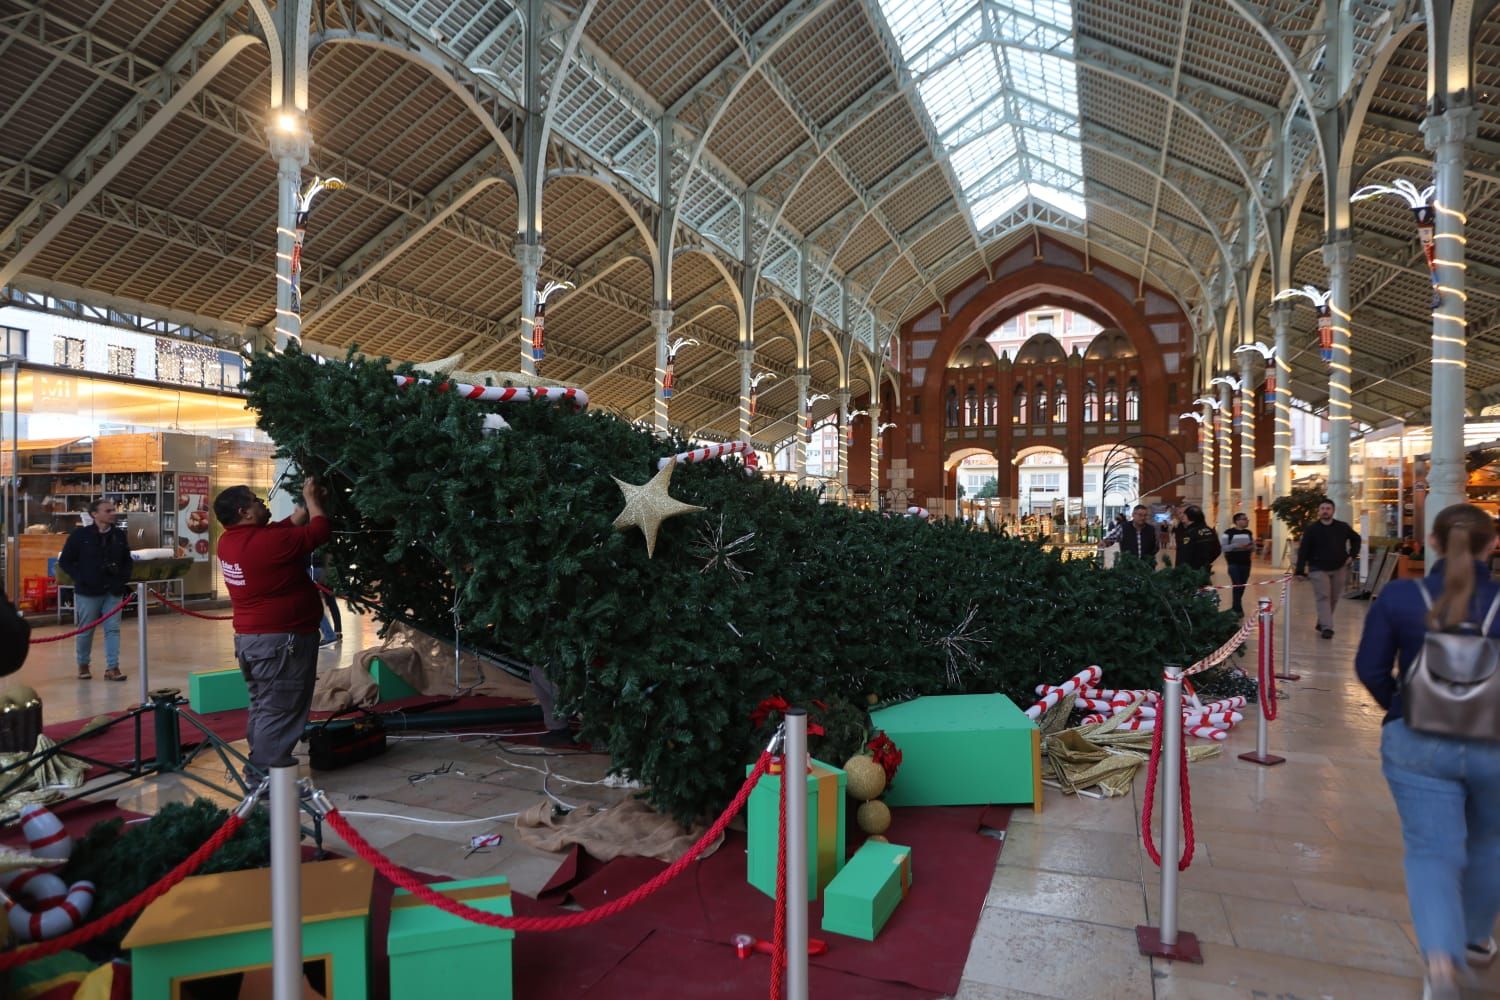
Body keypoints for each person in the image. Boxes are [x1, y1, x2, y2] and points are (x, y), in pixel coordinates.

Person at [1353, 503, 1500, 999]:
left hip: (1417, 739)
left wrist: (1401, 706)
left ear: (1432, 543)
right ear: (1492, 544)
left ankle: (1440, 961)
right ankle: (1475, 939)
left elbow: (1371, 668)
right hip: (1494, 743)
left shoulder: (1399, 595)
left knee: (1431, 851)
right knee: (1491, 844)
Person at [214, 479, 330, 778]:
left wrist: (304, 507)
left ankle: (260, 764)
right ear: (245, 512)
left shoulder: (230, 541)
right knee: (280, 709)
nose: (262, 503)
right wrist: (314, 501)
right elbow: (320, 532)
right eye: (256, 500)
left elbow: (281, 529)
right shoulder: (267, 544)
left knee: (265, 706)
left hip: (254, 642)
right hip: (282, 643)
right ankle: (264, 777)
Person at [57, 498, 132, 681]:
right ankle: (83, 665)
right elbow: (65, 561)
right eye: (108, 511)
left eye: (113, 510)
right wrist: (81, 577)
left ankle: (112, 667)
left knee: (113, 629)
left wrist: (122, 580)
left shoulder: (119, 536)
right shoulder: (80, 536)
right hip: (88, 591)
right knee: (86, 629)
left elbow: (126, 560)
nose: (113, 513)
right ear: (94, 514)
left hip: (113, 590)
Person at [1295, 498, 1361, 639]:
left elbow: (1356, 539)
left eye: (1328, 508)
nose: (1325, 511)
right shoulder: (1312, 529)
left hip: (1339, 567)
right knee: (1323, 597)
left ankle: (1322, 622)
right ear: (1319, 511)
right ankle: (1327, 628)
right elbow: (1303, 550)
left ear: (1333, 511)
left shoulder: (1342, 527)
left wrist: (1352, 555)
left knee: (1334, 598)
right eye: (1322, 509)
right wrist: (1299, 570)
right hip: (1318, 568)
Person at [1222, 512, 1256, 616]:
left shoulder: (1248, 532)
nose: (1247, 521)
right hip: (1233, 563)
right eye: (1244, 519)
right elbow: (1224, 547)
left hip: (1246, 563)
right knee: (1237, 585)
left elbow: (1253, 547)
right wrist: (1236, 545)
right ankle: (1238, 609)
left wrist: (1250, 547)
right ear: (1237, 521)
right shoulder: (1228, 532)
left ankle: (1235, 607)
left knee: (1242, 586)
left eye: (1247, 519)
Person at [1177, 505, 1222, 571]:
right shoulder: (1210, 530)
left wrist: (1180, 570)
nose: (1182, 517)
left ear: (1191, 517)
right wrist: (1206, 562)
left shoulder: (1190, 532)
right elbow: (1217, 550)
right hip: (1204, 569)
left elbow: (1184, 554)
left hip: (1190, 572)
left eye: (1185, 515)